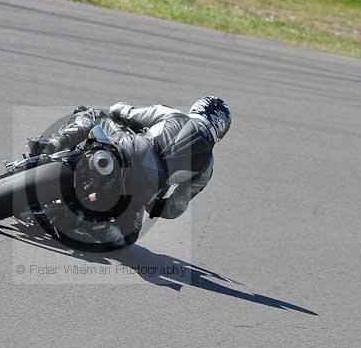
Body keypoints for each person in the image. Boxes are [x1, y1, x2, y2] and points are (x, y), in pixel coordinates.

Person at [27, 96, 232, 249]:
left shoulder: (172, 114)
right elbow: (175, 208)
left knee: (92, 114)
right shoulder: (207, 167)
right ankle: (96, 225)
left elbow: (122, 111)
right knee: (128, 238)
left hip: (128, 149)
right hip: (144, 191)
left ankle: (51, 146)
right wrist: (154, 204)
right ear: (221, 130)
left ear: (196, 108)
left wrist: (121, 111)